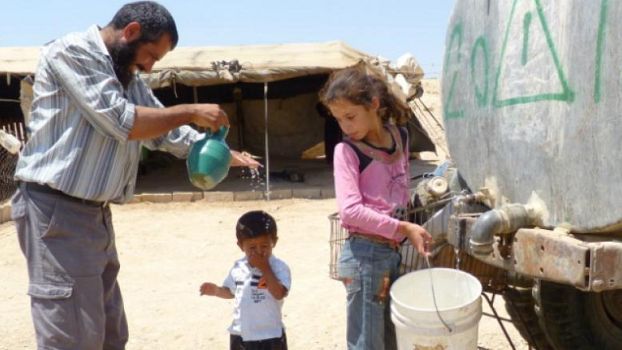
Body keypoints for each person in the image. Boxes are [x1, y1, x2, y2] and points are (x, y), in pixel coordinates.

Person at [10, 2, 259, 349]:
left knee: (110, 334)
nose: (150, 66)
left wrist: (217, 152)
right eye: (151, 55)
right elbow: (121, 121)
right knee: (72, 336)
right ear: (131, 32)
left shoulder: (126, 73)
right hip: (56, 213)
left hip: (94, 215)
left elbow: (160, 126)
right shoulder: (71, 52)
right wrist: (191, 111)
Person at [319, 66, 433, 350]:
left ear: (374, 104)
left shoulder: (401, 138)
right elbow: (350, 211)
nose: (346, 127)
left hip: (393, 253)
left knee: (394, 341)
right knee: (367, 345)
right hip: (364, 256)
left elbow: (401, 188)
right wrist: (402, 227)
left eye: (350, 116)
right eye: (339, 120)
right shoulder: (346, 151)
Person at [199, 210, 290, 350]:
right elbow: (231, 292)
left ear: (274, 242)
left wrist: (265, 268)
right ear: (241, 246)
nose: (259, 251)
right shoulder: (238, 268)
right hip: (240, 333)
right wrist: (217, 290)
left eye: (264, 246)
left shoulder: (279, 268)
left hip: (270, 335)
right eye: (252, 247)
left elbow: (279, 293)